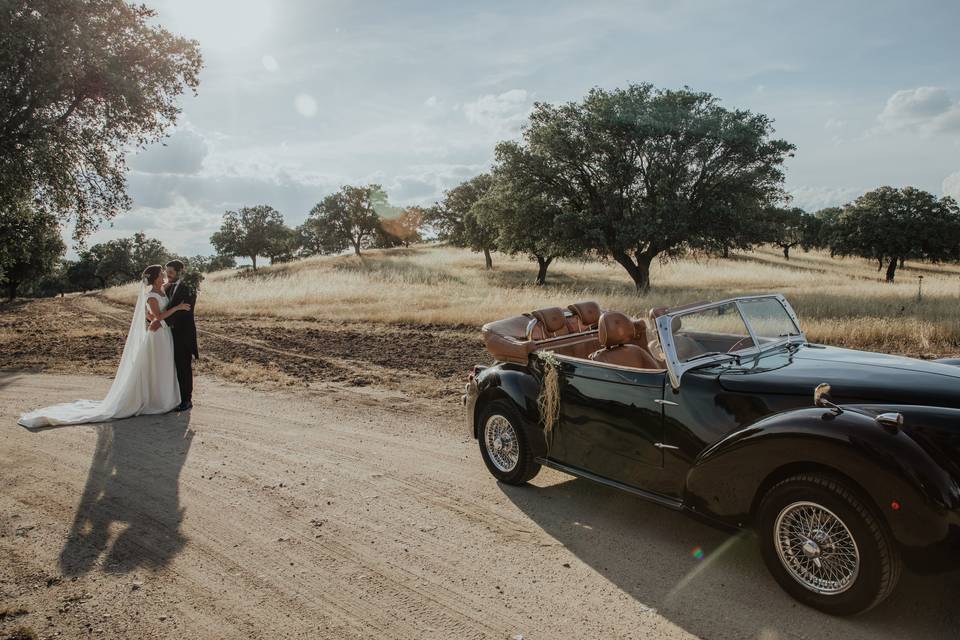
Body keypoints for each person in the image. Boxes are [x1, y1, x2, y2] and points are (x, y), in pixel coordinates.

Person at [17, 265, 189, 428]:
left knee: (163, 366)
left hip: (164, 335)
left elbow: (153, 315)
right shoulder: (151, 295)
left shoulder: (162, 289)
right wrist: (178, 308)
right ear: (155, 278)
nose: (164, 275)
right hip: (156, 337)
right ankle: (157, 402)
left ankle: (164, 399)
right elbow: (157, 316)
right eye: (161, 273)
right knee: (156, 366)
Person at [159, 260, 197, 411]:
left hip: (183, 333)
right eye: (166, 271)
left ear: (180, 271)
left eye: (171, 272)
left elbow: (183, 311)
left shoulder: (188, 287)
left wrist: (162, 322)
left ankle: (186, 400)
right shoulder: (170, 286)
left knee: (183, 367)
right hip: (169, 333)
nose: (168, 275)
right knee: (172, 366)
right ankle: (174, 398)